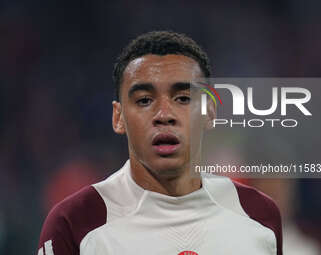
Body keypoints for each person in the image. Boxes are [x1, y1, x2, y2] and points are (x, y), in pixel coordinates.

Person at [37, 31, 282, 255]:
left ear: (210, 113)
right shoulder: (75, 223)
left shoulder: (258, 216)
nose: (164, 114)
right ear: (118, 117)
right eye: (144, 100)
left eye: (183, 98)